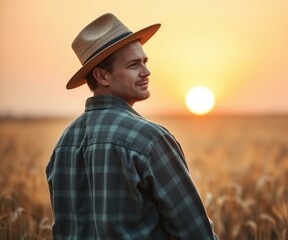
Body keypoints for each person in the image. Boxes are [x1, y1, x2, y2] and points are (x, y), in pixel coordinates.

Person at [46, 13, 218, 239]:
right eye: (134, 65)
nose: (146, 72)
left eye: (145, 62)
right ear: (102, 76)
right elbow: (197, 234)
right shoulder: (150, 139)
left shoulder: (63, 145)